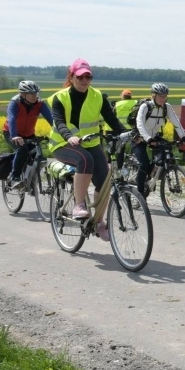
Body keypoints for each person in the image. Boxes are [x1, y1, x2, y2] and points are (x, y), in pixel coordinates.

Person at [49, 59, 127, 242]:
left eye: (88, 76)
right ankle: (78, 205)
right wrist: (69, 136)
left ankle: (99, 222)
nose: (85, 80)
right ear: (72, 76)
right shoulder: (60, 97)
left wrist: (129, 134)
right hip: (63, 143)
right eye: (80, 76)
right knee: (85, 160)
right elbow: (59, 122)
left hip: (90, 143)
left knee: (106, 181)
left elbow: (112, 120)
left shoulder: (98, 96)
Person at [130, 83, 185, 197]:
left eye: (165, 96)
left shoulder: (166, 107)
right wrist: (147, 138)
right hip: (139, 137)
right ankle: (140, 193)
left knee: (165, 152)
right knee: (144, 164)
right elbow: (140, 125)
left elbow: (176, 122)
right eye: (160, 96)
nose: (163, 98)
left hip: (154, 136)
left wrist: (183, 136)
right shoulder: (145, 106)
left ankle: (152, 174)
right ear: (153, 95)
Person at [3, 81, 54, 188]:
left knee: (38, 156)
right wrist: (14, 135)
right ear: (23, 94)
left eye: (36, 93)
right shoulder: (15, 102)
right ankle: (14, 178)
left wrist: (61, 132)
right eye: (32, 94)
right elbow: (11, 119)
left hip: (29, 134)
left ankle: (30, 180)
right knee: (22, 150)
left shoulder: (40, 103)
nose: (35, 96)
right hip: (11, 132)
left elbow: (51, 118)